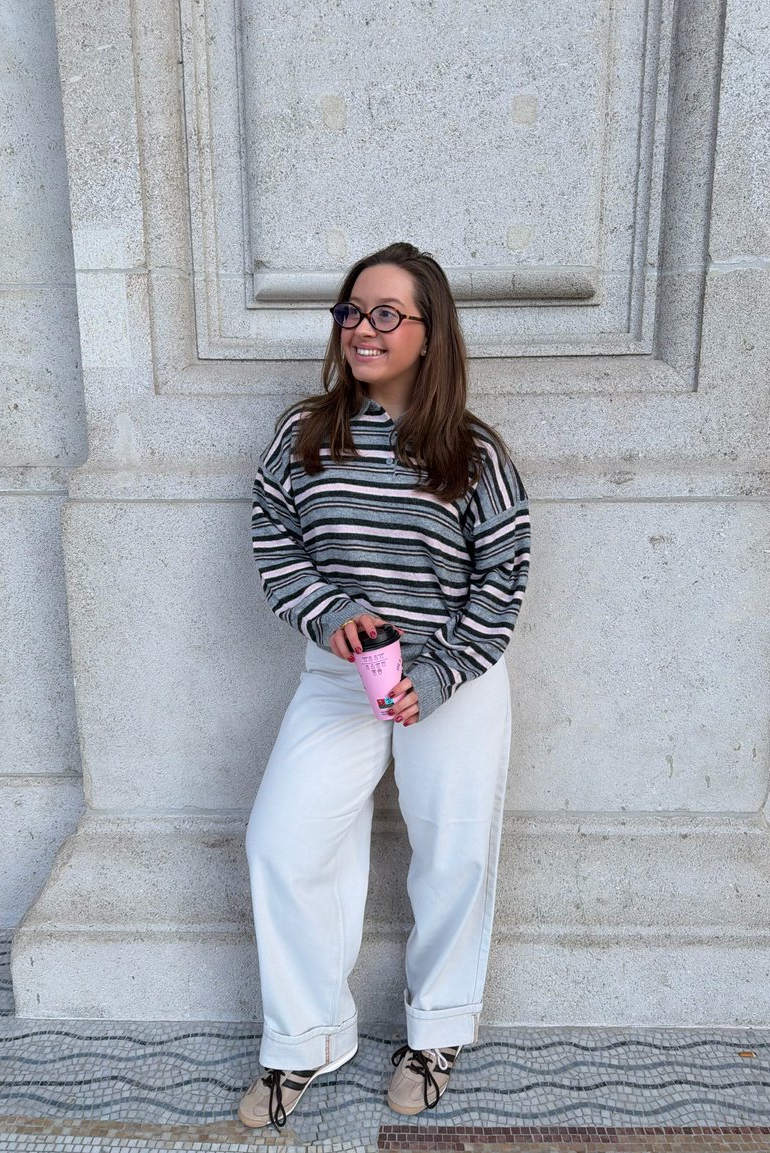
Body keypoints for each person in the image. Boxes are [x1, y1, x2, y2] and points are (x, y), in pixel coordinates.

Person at [239, 242, 530, 1130]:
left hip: (453, 674)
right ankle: (306, 1040)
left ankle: (435, 1030)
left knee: (453, 851)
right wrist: (326, 613)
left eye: (385, 314)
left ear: (429, 332)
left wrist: (440, 675)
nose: (362, 329)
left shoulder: (472, 451)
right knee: (282, 840)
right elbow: (274, 539)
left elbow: (504, 577)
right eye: (351, 311)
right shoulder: (304, 434)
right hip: (339, 676)